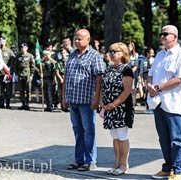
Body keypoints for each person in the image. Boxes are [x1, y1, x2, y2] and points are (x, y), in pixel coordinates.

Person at [147, 25, 181, 180]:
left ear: (175, 36)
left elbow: (180, 78)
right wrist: (149, 85)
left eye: (166, 34)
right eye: (161, 34)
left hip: (172, 102)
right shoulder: (159, 55)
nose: (162, 36)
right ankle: (168, 167)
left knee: (177, 138)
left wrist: (158, 87)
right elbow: (150, 74)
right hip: (157, 102)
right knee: (163, 138)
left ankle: (179, 171)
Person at [63, 29, 104, 171]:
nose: (76, 41)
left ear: (88, 40)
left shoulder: (94, 55)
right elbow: (66, 76)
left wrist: (96, 99)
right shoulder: (72, 55)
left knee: (89, 131)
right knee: (77, 131)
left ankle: (90, 161)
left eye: (80, 39)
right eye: (76, 38)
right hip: (73, 100)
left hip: (87, 101)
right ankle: (78, 160)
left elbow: (99, 78)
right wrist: (64, 97)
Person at [101, 42, 134, 176]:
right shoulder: (109, 69)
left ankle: (124, 163)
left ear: (123, 53)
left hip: (121, 108)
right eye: (111, 51)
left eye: (115, 51)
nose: (112, 54)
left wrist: (114, 104)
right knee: (114, 136)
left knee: (122, 136)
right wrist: (103, 103)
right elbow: (105, 87)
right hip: (109, 107)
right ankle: (116, 162)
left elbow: (126, 92)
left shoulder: (127, 70)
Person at [15, 42, 35, 110]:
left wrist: (31, 75)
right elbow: (16, 66)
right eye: (21, 47)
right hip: (20, 74)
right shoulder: (18, 56)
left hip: (27, 74)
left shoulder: (30, 56)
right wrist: (16, 74)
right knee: (21, 90)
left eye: (24, 47)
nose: (22, 49)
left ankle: (27, 103)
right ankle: (23, 103)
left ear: (27, 48)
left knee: (28, 89)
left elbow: (32, 66)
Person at [0, 37, 15, 109]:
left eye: (3, 42)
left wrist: (11, 71)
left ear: (5, 42)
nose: (2, 43)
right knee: (0, 89)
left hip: (7, 73)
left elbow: (13, 60)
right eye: (1, 41)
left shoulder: (9, 51)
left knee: (8, 89)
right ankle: (1, 103)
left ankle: (8, 103)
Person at [139, 47, 155, 114]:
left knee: (152, 92)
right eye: (151, 53)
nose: (152, 54)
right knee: (146, 92)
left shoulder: (154, 60)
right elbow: (141, 71)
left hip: (152, 77)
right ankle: (148, 107)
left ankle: (152, 107)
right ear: (147, 53)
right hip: (146, 76)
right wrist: (142, 80)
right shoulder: (143, 60)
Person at [55, 48, 68, 112]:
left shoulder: (69, 61)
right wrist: (61, 79)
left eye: (64, 53)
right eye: (62, 53)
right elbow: (57, 72)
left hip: (68, 80)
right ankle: (63, 107)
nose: (63, 54)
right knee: (60, 93)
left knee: (68, 93)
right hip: (61, 79)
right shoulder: (58, 62)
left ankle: (68, 106)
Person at [127, 42, 139, 106]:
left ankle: (132, 105)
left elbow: (136, 65)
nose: (129, 48)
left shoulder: (136, 55)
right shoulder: (125, 54)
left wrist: (131, 71)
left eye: (130, 46)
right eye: (128, 46)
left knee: (133, 90)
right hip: (126, 72)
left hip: (133, 73)